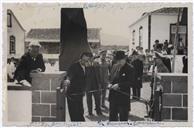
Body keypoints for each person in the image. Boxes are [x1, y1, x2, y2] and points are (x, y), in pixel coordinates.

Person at [64, 52, 91, 121]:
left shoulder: (86, 67)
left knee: (80, 112)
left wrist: (84, 90)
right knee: (74, 115)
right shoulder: (74, 66)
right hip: (72, 95)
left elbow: (85, 79)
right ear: (80, 58)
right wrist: (68, 80)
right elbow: (70, 75)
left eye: (87, 61)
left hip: (79, 94)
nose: (85, 62)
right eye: (84, 60)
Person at [108, 51, 135, 121]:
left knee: (123, 119)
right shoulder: (114, 66)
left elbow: (131, 82)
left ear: (125, 59)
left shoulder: (130, 68)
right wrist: (110, 84)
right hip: (113, 98)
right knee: (112, 119)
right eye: (118, 60)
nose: (119, 62)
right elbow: (111, 78)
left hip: (123, 99)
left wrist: (119, 85)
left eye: (120, 60)